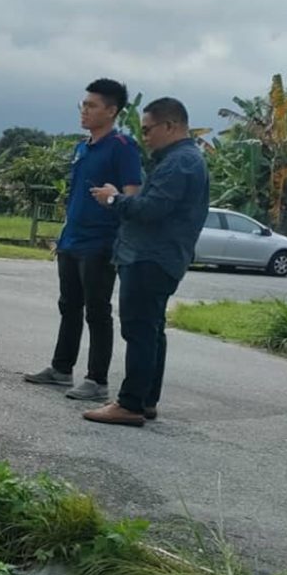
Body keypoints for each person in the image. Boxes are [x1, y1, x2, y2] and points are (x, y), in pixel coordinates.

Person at [84, 97, 209, 426]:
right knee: (152, 331)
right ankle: (145, 399)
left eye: (148, 129)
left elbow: (151, 210)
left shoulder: (180, 163)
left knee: (140, 330)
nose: (146, 137)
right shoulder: (181, 160)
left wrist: (113, 199)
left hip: (149, 258)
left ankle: (130, 404)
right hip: (157, 257)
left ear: (171, 126)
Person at [24, 79, 142, 402]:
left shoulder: (123, 146)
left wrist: (115, 199)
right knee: (69, 307)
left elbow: (133, 196)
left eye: (91, 106)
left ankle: (97, 380)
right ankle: (61, 369)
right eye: (83, 105)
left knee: (97, 311)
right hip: (72, 242)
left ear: (112, 110)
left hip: (101, 244)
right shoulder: (82, 147)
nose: (84, 111)